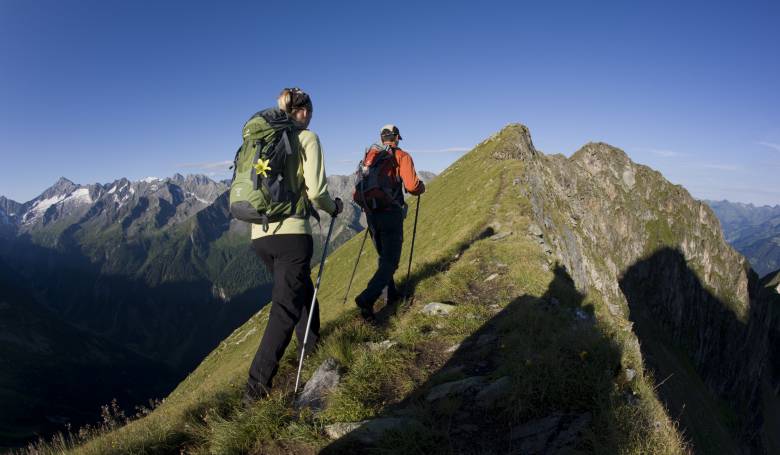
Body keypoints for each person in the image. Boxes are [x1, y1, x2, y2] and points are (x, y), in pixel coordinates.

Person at [243, 88, 343, 404]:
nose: (311, 116)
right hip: (291, 236)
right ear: (301, 111)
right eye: (309, 111)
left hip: (260, 235)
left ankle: (311, 349)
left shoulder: (262, 140)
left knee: (302, 293)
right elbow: (316, 192)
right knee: (284, 308)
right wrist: (334, 207)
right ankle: (254, 390)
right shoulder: (307, 139)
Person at [354, 124, 425, 322]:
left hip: (371, 213)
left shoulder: (371, 156)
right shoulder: (401, 156)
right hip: (390, 213)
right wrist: (422, 188)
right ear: (396, 138)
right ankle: (367, 298)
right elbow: (411, 186)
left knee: (383, 256)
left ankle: (391, 295)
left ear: (383, 138)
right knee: (391, 260)